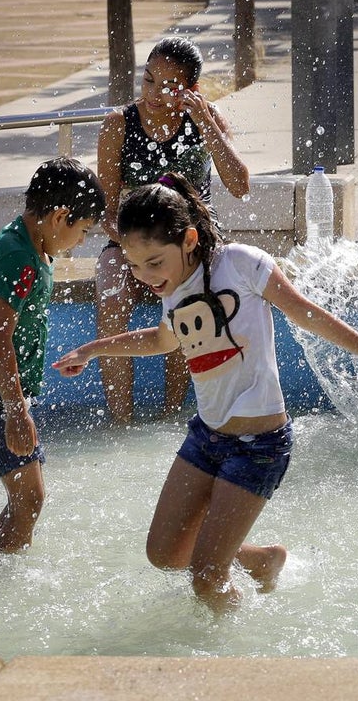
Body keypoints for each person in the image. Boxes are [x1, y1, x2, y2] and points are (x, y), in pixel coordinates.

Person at [53, 173, 358, 612]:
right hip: (206, 438)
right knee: (164, 553)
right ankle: (261, 561)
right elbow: (162, 340)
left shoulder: (241, 264)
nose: (145, 275)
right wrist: (93, 349)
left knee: (206, 579)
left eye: (153, 261)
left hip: (258, 446)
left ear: (188, 239)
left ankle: (237, 658)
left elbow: (305, 313)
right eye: (134, 265)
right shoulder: (173, 288)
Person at [0, 157, 105, 552]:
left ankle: (2, 569)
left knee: (27, 499)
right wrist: (16, 411)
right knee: (29, 499)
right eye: (83, 230)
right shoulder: (20, 258)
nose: (83, 241)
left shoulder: (27, 245)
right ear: (59, 217)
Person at [96, 36, 251, 423]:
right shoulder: (119, 124)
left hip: (191, 243)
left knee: (188, 301)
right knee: (110, 289)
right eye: (148, 79)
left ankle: (171, 416)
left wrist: (206, 124)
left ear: (190, 90)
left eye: (167, 86)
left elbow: (240, 185)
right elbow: (106, 210)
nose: (152, 93)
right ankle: (122, 423)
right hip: (129, 243)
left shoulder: (205, 119)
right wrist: (136, 250)